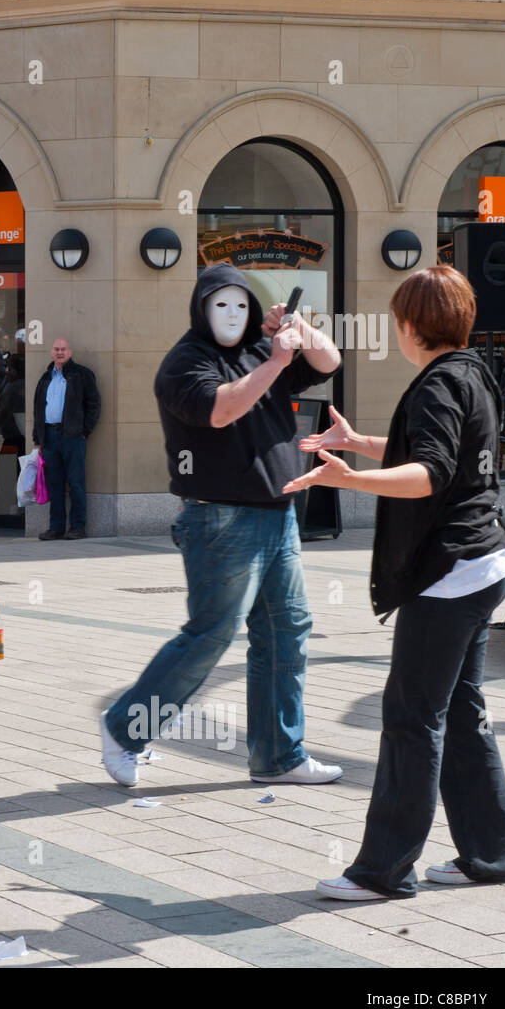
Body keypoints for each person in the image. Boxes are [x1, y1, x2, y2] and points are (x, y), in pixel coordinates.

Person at [280, 267, 505, 900]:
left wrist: (350, 480)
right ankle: (491, 856)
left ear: (411, 325)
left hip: (450, 572)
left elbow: (431, 473)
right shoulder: (473, 372)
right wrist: (361, 443)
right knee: (462, 712)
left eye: (396, 319)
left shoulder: (439, 384)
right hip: (487, 564)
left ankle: (383, 871)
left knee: (412, 718)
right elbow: (440, 452)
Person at [99, 264, 343, 788]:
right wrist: (277, 361)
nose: (232, 314)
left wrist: (300, 331)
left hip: (279, 514)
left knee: (286, 631)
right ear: (201, 309)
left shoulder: (263, 349)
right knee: (211, 634)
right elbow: (221, 410)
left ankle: (279, 756)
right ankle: (124, 729)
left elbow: (329, 362)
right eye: (221, 305)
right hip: (219, 516)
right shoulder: (185, 363)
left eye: (241, 305)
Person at [32, 338, 100, 540]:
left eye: (63, 349)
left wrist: (85, 430)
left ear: (69, 352)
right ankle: (56, 527)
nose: (60, 352)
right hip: (50, 437)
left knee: (76, 482)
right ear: (52, 352)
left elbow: (94, 403)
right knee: (54, 484)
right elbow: (37, 410)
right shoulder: (45, 378)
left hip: (72, 436)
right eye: (56, 349)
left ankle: (78, 527)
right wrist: (38, 439)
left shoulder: (81, 374)